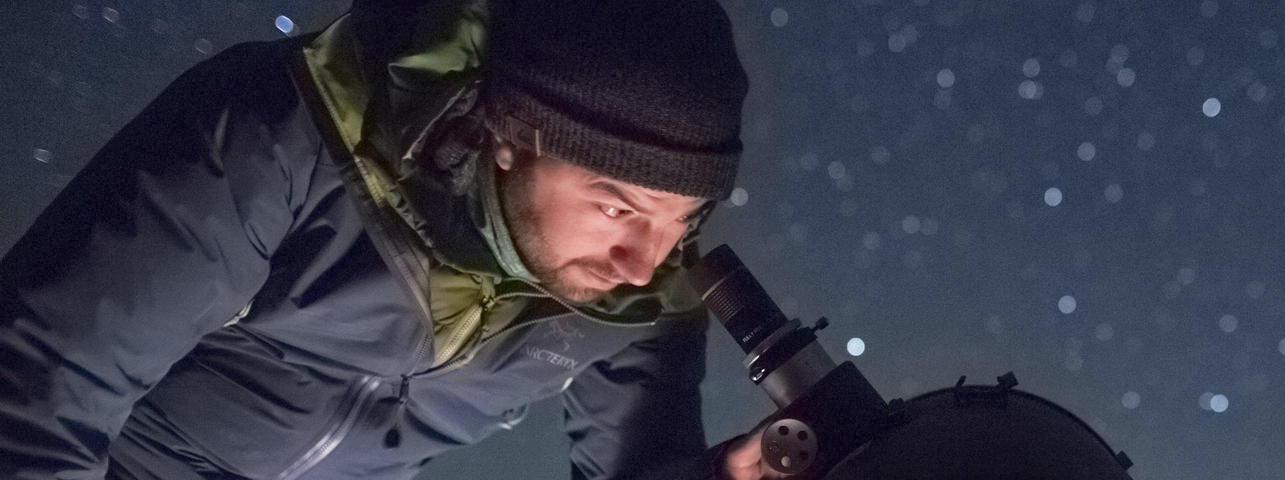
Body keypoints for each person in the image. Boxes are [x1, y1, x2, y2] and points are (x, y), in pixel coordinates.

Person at [0, 0, 775, 478]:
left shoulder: (641, 286)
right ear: (509, 133)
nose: (645, 263)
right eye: (618, 207)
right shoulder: (279, 138)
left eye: (686, 219)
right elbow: (42, 383)